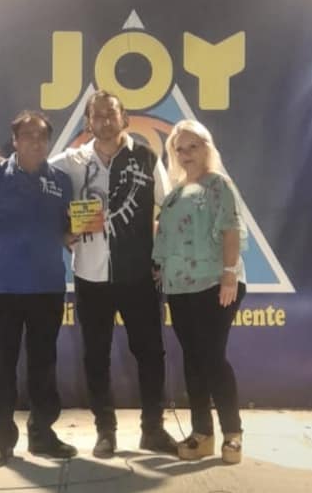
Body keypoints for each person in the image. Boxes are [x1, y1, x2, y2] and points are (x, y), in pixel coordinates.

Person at [50, 90, 177, 458]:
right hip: (90, 275)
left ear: (125, 119)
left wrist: (161, 255)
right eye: (98, 115)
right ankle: (105, 432)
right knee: (96, 356)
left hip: (139, 274)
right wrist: (61, 232)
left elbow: (169, 209)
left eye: (111, 114)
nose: (105, 121)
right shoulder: (70, 161)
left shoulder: (146, 158)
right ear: (88, 122)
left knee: (151, 354)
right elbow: (35, 185)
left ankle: (153, 430)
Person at [0, 110, 77, 467]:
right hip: (4, 290)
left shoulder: (61, 181)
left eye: (41, 136)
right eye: (27, 135)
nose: (35, 142)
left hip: (48, 288)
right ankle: (1, 442)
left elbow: (65, 234)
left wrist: (79, 232)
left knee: (44, 366)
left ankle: (42, 436)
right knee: (2, 368)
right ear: (15, 140)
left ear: (48, 141)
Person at [152, 119, 247, 465]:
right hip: (179, 287)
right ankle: (201, 434)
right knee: (193, 359)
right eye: (180, 149)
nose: (186, 153)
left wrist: (228, 275)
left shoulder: (218, 184)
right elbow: (166, 237)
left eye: (193, 146)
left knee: (211, 357)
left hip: (215, 283)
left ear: (207, 147)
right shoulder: (176, 193)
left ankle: (233, 434)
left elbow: (231, 229)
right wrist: (158, 265)